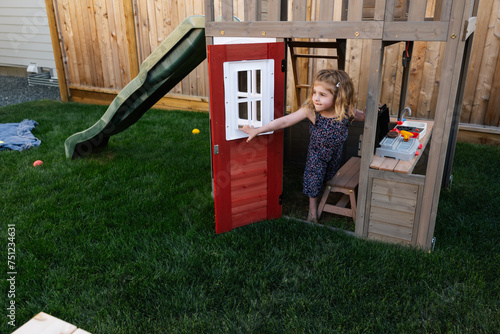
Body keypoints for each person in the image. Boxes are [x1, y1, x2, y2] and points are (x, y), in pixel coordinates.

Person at [242, 69, 365, 222]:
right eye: (314, 93)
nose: (316, 98)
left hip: (335, 154)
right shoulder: (311, 111)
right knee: (313, 182)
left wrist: (371, 112)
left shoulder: (345, 111)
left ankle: (324, 195)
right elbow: (284, 121)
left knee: (329, 177)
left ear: (338, 97)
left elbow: (363, 116)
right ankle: (312, 211)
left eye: (322, 95)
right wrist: (258, 130)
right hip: (317, 155)